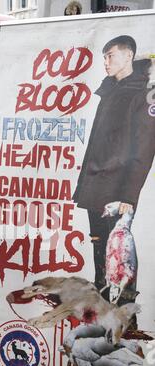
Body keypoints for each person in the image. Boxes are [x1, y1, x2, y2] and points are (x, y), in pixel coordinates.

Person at [73, 35, 155, 305]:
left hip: (117, 190)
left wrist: (128, 196)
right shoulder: (110, 90)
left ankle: (125, 310)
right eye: (104, 56)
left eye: (110, 55)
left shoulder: (143, 93)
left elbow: (144, 150)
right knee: (99, 243)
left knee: (120, 251)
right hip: (95, 185)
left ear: (128, 55)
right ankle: (102, 300)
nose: (105, 62)